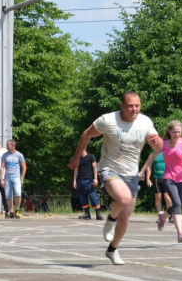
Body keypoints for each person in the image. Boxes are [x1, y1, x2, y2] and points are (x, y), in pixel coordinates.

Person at [68, 91, 162, 265]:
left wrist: (158, 143)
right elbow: (86, 134)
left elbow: (158, 147)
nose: (134, 109)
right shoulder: (108, 120)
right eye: (130, 106)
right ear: (122, 106)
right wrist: (76, 157)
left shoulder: (145, 122)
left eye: (137, 106)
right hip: (109, 169)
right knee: (124, 198)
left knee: (125, 217)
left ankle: (112, 249)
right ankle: (110, 220)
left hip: (131, 174)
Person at [142, 120, 182, 243]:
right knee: (176, 204)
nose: (177, 134)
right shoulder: (164, 144)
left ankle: (163, 217)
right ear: (169, 132)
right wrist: (142, 171)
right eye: (174, 132)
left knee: (177, 205)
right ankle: (180, 233)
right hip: (169, 178)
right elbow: (151, 157)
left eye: (179, 132)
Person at [73, 149, 103, 220]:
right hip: (80, 180)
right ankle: (87, 214)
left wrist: (95, 178)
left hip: (89, 180)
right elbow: (76, 169)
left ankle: (98, 214)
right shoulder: (77, 159)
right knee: (82, 197)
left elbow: (95, 168)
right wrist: (74, 180)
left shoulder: (91, 156)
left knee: (93, 196)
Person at [0, 139, 26, 219]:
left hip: (16, 177)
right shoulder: (5, 155)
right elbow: (2, 167)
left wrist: (22, 178)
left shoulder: (19, 155)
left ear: (13, 146)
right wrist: (1, 179)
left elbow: (24, 166)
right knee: (8, 195)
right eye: (6, 145)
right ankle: (10, 211)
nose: (6, 146)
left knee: (18, 193)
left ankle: (17, 210)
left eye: (8, 145)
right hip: (7, 177)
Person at [143, 151, 172, 217]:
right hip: (156, 178)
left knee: (167, 197)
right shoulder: (152, 154)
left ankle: (170, 215)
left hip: (167, 178)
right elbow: (149, 166)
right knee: (158, 197)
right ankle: (160, 215)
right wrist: (148, 179)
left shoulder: (167, 152)